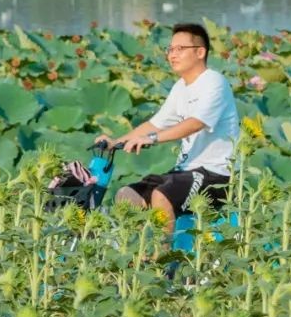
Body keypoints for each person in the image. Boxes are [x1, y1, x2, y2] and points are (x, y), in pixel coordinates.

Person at [99, 23, 240, 234]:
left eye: (180, 49)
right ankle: (138, 254)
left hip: (217, 176)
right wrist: (116, 142)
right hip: (185, 172)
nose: (172, 55)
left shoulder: (214, 82)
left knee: (162, 194)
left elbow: (195, 123)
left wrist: (153, 139)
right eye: (170, 49)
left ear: (200, 52)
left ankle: (161, 261)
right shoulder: (180, 87)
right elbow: (155, 123)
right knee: (127, 195)